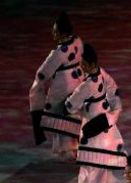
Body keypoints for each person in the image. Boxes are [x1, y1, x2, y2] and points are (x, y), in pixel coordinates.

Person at [64, 43, 127, 183]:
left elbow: (71, 104)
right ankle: (106, 180)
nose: (81, 66)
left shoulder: (86, 86)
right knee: (103, 151)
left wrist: (68, 105)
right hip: (104, 117)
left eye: (84, 64)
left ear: (91, 64)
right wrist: (115, 106)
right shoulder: (102, 73)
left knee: (94, 152)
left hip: (93, 120)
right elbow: (112, 87)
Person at [29, 12, 83, 159]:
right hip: (78, 82)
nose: (53, 35)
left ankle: (67, 150)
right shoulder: (78, 42)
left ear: (60, 32)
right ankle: (76, 146)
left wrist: (37, 88)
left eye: (55, 32)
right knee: (75, 114)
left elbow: (42, 72)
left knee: (61, 116)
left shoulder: (58, 53)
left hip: (63, 86)